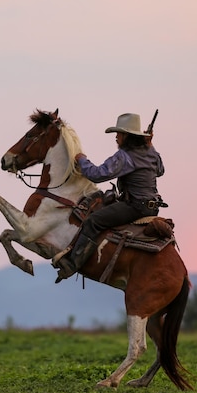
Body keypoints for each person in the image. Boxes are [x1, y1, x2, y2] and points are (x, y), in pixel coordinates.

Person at [53, 112, 166, 283]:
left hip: (134, 207)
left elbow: (97, 175)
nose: (116, 137)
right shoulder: (150, 152)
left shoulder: (124, 156)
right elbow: (160, 170)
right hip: (152, 207)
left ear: (127, 136)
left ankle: (72, 263)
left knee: (94, 220)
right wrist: (151, 146)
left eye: (119, 133)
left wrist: (82, 160)